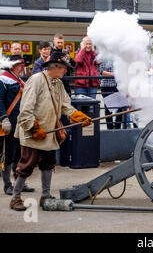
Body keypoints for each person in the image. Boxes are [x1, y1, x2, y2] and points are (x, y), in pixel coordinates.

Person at [9, 51, 92, 211]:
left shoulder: (59, 84)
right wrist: (34, 128)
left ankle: (45, 196)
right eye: (64, 68)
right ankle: (15, 198)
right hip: (32, 131)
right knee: (26, 165)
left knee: (48, 164)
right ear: (55, 67)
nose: (66, 71)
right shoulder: (36, 80)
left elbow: (66, 106)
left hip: (49, 131)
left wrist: (78, 116)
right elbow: (25, 110)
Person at [0, 55, 35, 195]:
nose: (23, 67)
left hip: (20, 124)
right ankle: (7, 185)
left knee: (19, 154)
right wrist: (3, 118)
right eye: (21, 65)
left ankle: (19, 182)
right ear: (12, 66)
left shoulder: (19, 80)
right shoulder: (3, 79)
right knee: (7, 155)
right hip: (8, 123)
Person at [99, 60, 129, 129]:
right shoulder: (105, 57)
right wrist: (115, 74)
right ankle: (110, 128)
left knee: (122, 106)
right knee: (109, 108)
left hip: (117, 86)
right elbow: (102, 72)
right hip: (107, 86)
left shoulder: (118, 58)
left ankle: (117, 127)